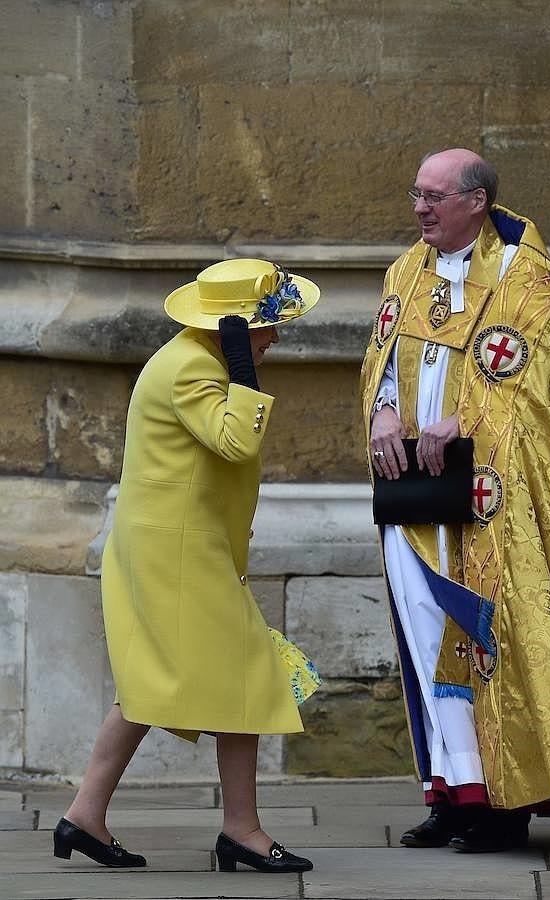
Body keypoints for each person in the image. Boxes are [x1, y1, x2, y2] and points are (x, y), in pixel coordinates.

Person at [361, 148, 550, 852]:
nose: (419, 208)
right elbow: (381, 357)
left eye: (433, 196)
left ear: (476, 201)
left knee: (488, 637)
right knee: (428, 635)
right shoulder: (407, 268)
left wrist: (464, 418)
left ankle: (505, 801)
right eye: (415, 194)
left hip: (499, 502)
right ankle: (453, 793)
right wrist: (382, 412)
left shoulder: (527, 279)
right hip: (417, 492)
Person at [53, 258, 321, 873]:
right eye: (266, 326)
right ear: (232, 330)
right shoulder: (193, 367)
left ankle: (84, 816)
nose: (276, 336)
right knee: (247, 677)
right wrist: (245, 370)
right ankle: (242, 832)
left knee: (152, 685)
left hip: (179, 548)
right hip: (177, 554)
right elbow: (235, 440)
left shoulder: (195, 358)